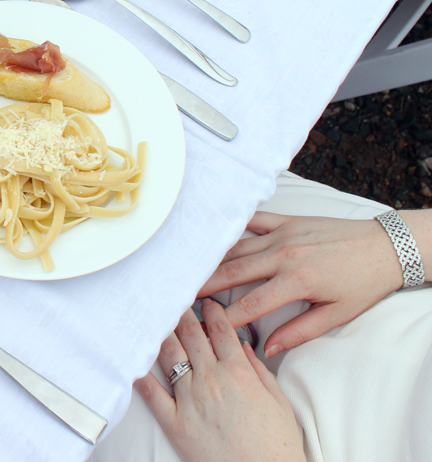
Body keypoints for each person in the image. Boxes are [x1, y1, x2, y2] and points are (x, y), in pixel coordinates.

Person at [91, 172, 432, 462]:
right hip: (393, 290)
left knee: (83, 363)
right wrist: (400, 244)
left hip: (263, 452)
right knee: (165, 185)